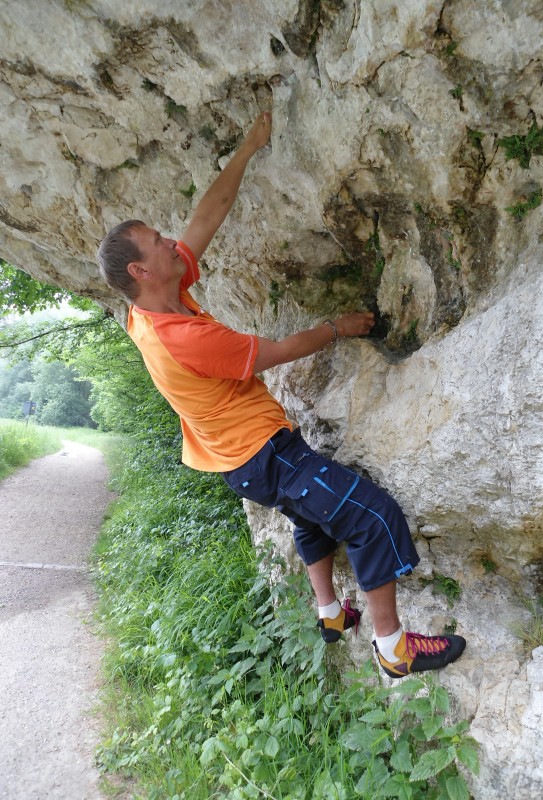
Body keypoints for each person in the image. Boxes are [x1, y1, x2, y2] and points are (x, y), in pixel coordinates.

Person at [97, 111, 466, 677]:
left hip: (237, 459)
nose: (172, 241)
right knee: (371, 516)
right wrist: (338, 328)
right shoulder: (184, 337)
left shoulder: (152, 305)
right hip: (263, 456)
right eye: (157, 242)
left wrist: (248, 149)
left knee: (311, 517)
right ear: (142, 269)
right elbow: (276, 351)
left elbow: (205, 217)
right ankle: (393, 650)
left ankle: (330, 615)